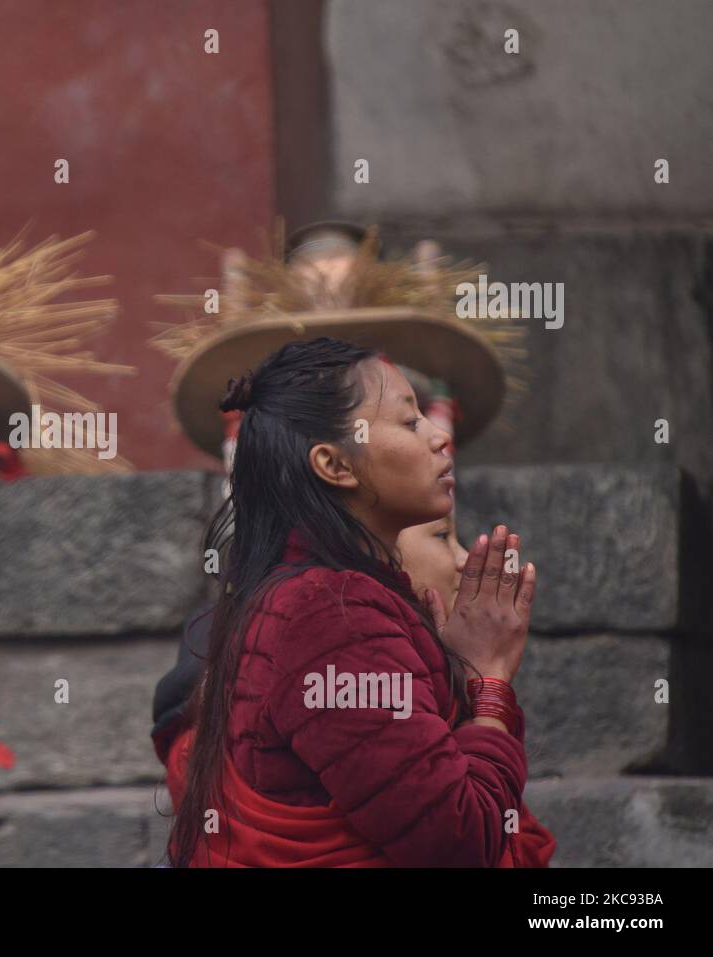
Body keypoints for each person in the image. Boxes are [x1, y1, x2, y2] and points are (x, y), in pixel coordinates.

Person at [167, 337, 541, 867]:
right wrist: (488, 683)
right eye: (409, 423)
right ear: (335, 465)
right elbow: (456, 841)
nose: (439, 439)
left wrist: (454, 669)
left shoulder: (319, 596)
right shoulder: (331, 614)